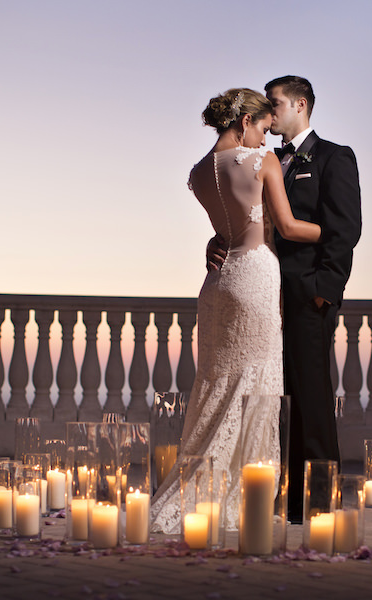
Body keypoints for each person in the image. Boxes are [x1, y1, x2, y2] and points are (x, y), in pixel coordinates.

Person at [149, 88, 321, 534]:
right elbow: (284, 226)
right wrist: (333, 230)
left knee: (214, 383)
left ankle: (196, 489)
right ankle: (247, 495)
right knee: (257, 383)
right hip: (256, 276)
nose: (266, 141)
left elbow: (226, 224)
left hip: (217, 283)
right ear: (244, 121)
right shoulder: (258, 163)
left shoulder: (198, 172)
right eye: (263, 129)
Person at [209, 76, 362, 522]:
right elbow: (248, 218)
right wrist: (216, 243)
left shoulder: (335, 157)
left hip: (306, 297)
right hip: (263, 297)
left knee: (311, 400)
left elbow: (345, 230)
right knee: (279, 399)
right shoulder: (266, 159)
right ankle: (289, 501)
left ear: (301, 104)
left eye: (275, 105)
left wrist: (323, 293)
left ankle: (319, 506)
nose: (270, 116)